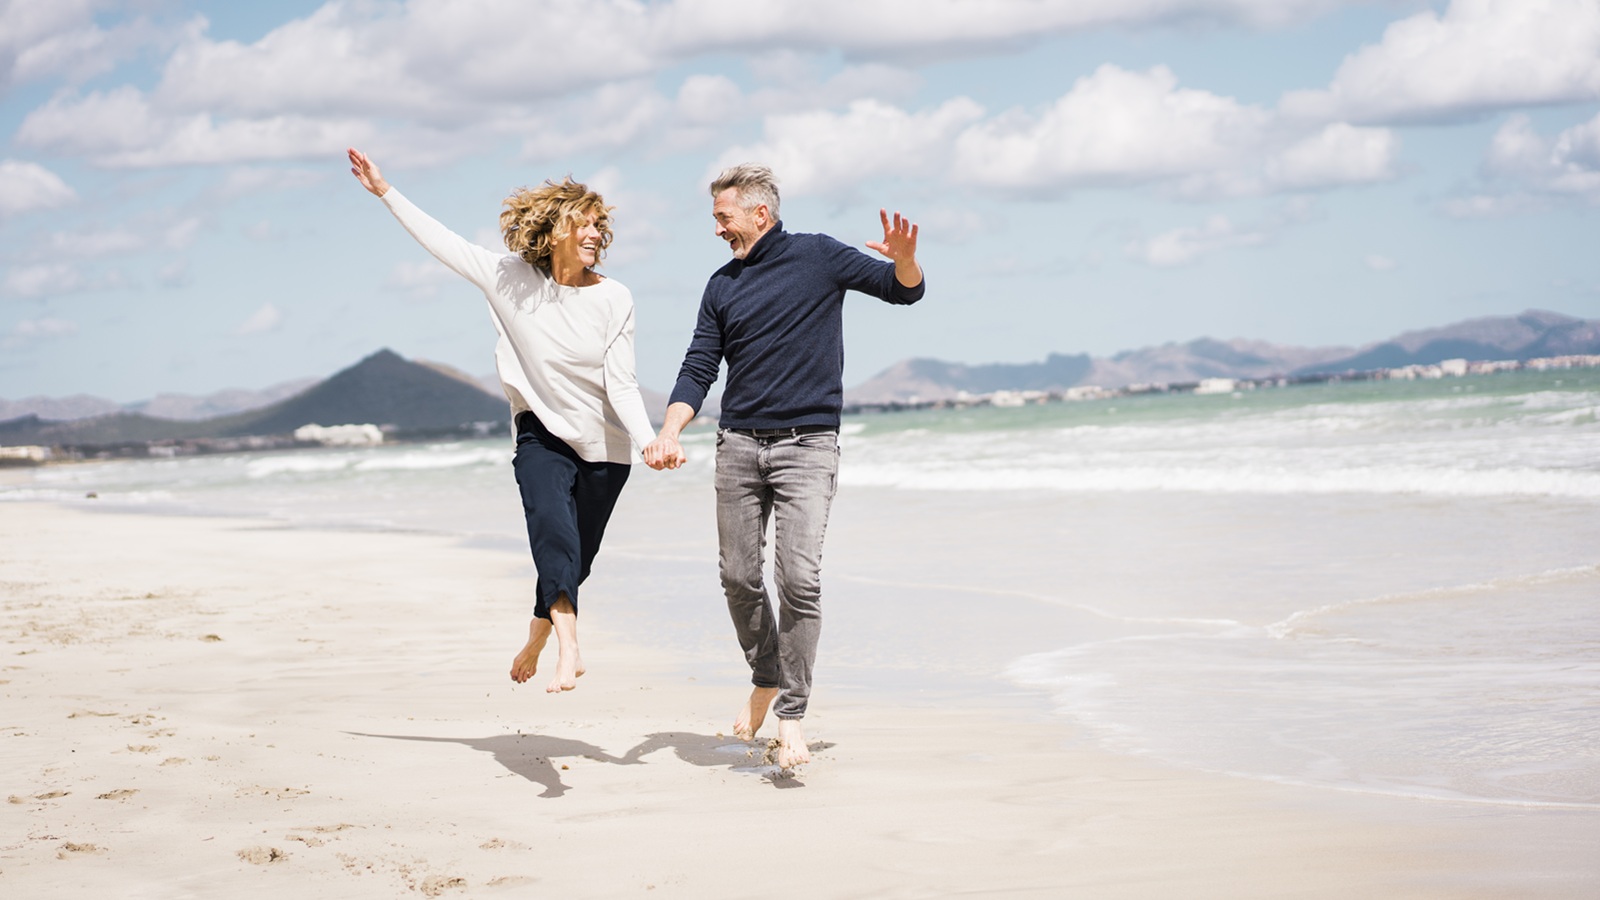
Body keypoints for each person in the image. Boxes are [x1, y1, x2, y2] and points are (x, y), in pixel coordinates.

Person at [643, 163, 924, 769]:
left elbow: (904, 291)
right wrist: (669, 428)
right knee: (739, 577)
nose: (717, 228)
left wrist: (904, 259)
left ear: (759, 214)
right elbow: (699, 366)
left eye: (724, 217)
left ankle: (792, 715)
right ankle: (765, 675)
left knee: (799, 579)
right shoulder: (721, 285)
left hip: (808, 446)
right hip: (739, 446)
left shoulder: (819, 257)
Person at [348, 148, 657, 694]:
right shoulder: (508, 277)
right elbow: (443, 242)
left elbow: (622, 383)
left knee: (573, 561)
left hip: (605, 446)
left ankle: (537, 638)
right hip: (540, 432)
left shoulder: (615, 297)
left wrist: (650, 441)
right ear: (554, 227)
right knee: (551, 530)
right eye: (582, 224)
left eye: (598, 226)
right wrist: (385, 191)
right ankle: (569, 646)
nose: (593, 234)